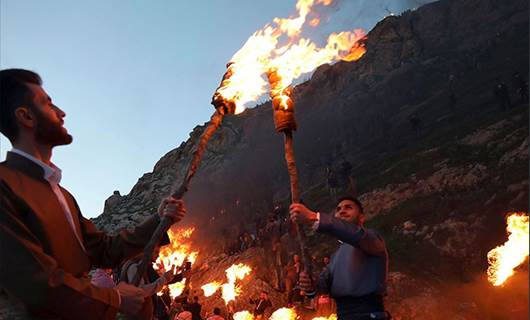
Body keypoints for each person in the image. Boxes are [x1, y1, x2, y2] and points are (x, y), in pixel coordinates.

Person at [0, 68, 187, 319]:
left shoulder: (62, 195)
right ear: (26, 117)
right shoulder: (5, 184)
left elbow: (103, 250)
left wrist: (160, 219)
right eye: (48, 104)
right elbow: (36, 281)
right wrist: (116, 299)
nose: (61, 113)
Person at [290, 196, 389, 320]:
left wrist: (313, 218)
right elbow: (322, 286)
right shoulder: (336, 256)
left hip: (369, 315)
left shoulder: (372, 239)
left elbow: (355, 235)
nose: (342, 210)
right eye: (338, 209)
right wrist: (310, 285)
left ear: (362, 218)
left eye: (349, 207)